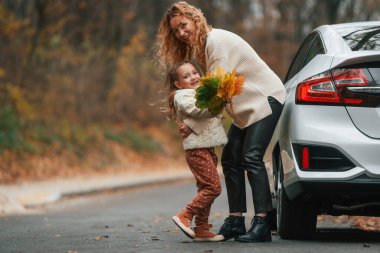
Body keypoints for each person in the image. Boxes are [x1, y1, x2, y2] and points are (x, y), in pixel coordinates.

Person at [155, 2, 287, 243]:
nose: (181, 33)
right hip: (245, 109)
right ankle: (236, 220)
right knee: (230, 158)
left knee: (252, 156)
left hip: (265, 99)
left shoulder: (216, 43)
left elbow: (217, 94)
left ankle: (262, 224)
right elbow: (213, 96)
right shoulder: (202, 48)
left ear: (194, 18)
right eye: (175, 31)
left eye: (183, 25)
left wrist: (193, 125)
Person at [166, 61, 227, 242]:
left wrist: (217, 105)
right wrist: (219, 101)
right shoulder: (182, 96)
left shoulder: (200, 93)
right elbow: (199, 111)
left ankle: (201, 228)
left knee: (204, 188)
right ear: (178, 84)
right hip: (196, 149)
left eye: (194, 72)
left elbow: (212, 115)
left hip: (206, 146)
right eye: (186, 76)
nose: (193, 77)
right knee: (213, 188)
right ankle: (186, 214)